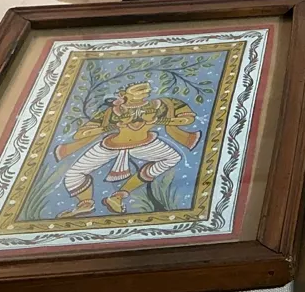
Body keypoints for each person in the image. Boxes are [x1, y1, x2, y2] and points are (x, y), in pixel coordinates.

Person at [54, 82, 199, 217]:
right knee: (73, 173)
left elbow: (188, 119)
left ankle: (119, 196)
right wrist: (111, 126)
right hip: (111, 146)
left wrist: (160, 121)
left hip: (144, 144)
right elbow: (81, 134)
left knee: (172, 157)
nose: (143, 91)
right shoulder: (112, 112)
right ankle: (85, 204)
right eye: (136, 89)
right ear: (123, 94)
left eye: (144, 90)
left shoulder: (160, 105)